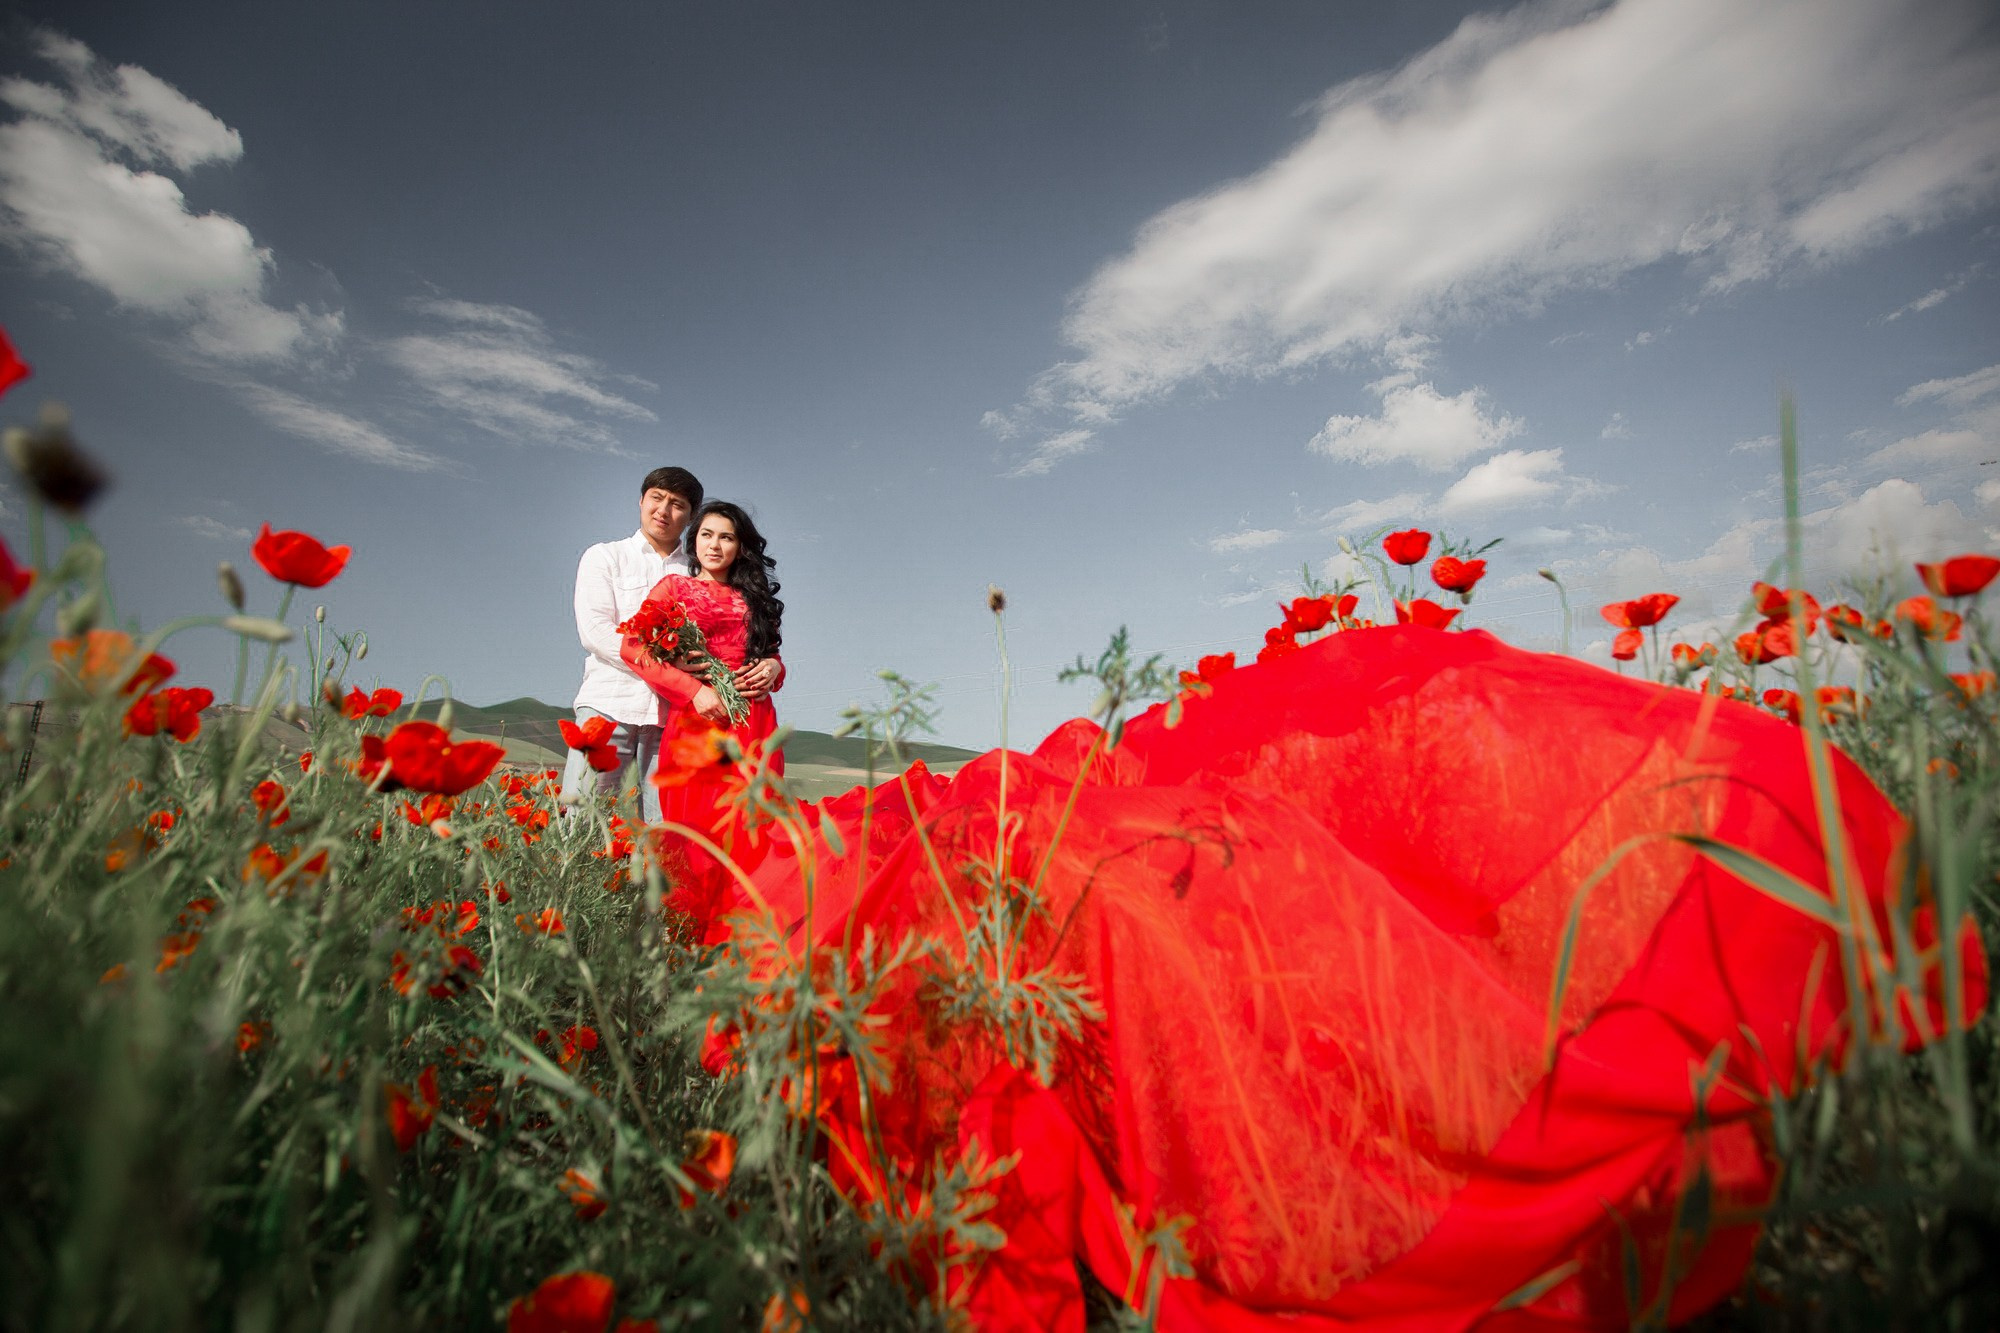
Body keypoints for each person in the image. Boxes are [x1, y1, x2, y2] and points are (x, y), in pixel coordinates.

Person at [683, 620, 1986, 1332]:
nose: (713, 547)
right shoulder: (664, 625)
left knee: (1260, 822)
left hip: (921, 800)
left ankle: (1745, 860)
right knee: (1087, 859)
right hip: (772, 786)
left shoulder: (757, 658)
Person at [562, 469, 781, 820]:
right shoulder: (606, 556)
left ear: (691, 516)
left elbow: (753, 645)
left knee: (664, 828)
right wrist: (665, 662)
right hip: (610, 704)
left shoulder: (696, 567)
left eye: (677, 504)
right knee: (585, 820)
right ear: (641, 501)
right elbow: (595, 632)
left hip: (671, 718)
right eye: (657, 498)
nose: (664, 510)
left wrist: (773, 665)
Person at [620, 500, 785, 920]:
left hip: (755, 726)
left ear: (740, 547)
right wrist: (693, 690)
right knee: (694, 832)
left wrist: (774, 668)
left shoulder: (755, 599)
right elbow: (633, 647)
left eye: (726, 537)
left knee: (751, 828)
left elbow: (772, 658)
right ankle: (687, 933)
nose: (714, 545)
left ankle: (741, 932)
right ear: (693, 541)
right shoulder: (674, 588)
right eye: (707, 535)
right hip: (698, 724)